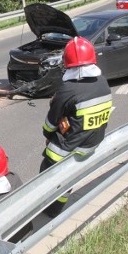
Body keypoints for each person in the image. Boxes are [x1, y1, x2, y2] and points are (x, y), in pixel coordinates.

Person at [40, 37, 112, 217]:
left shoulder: (68, 88)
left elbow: (50, 123)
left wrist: (48, 132)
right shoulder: (103, 82)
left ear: (68, 63)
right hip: (93, 143)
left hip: (67, 149)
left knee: (48, 173)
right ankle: (54, 207)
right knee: (65, 179)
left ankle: (50, 210)